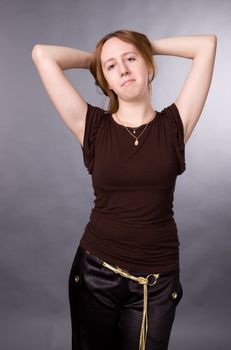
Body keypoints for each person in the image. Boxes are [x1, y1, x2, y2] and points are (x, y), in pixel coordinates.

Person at [32, 29, 217, 350]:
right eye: (111, 67)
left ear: (148, 67)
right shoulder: (91, 126)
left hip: (155, 282)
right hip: (95, 273)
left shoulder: (174, 126)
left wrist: (141, 46)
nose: (123, 69)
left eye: (131, 59)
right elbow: (42, 54)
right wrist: (100, 57)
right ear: (105, 81)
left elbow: (206, 45)